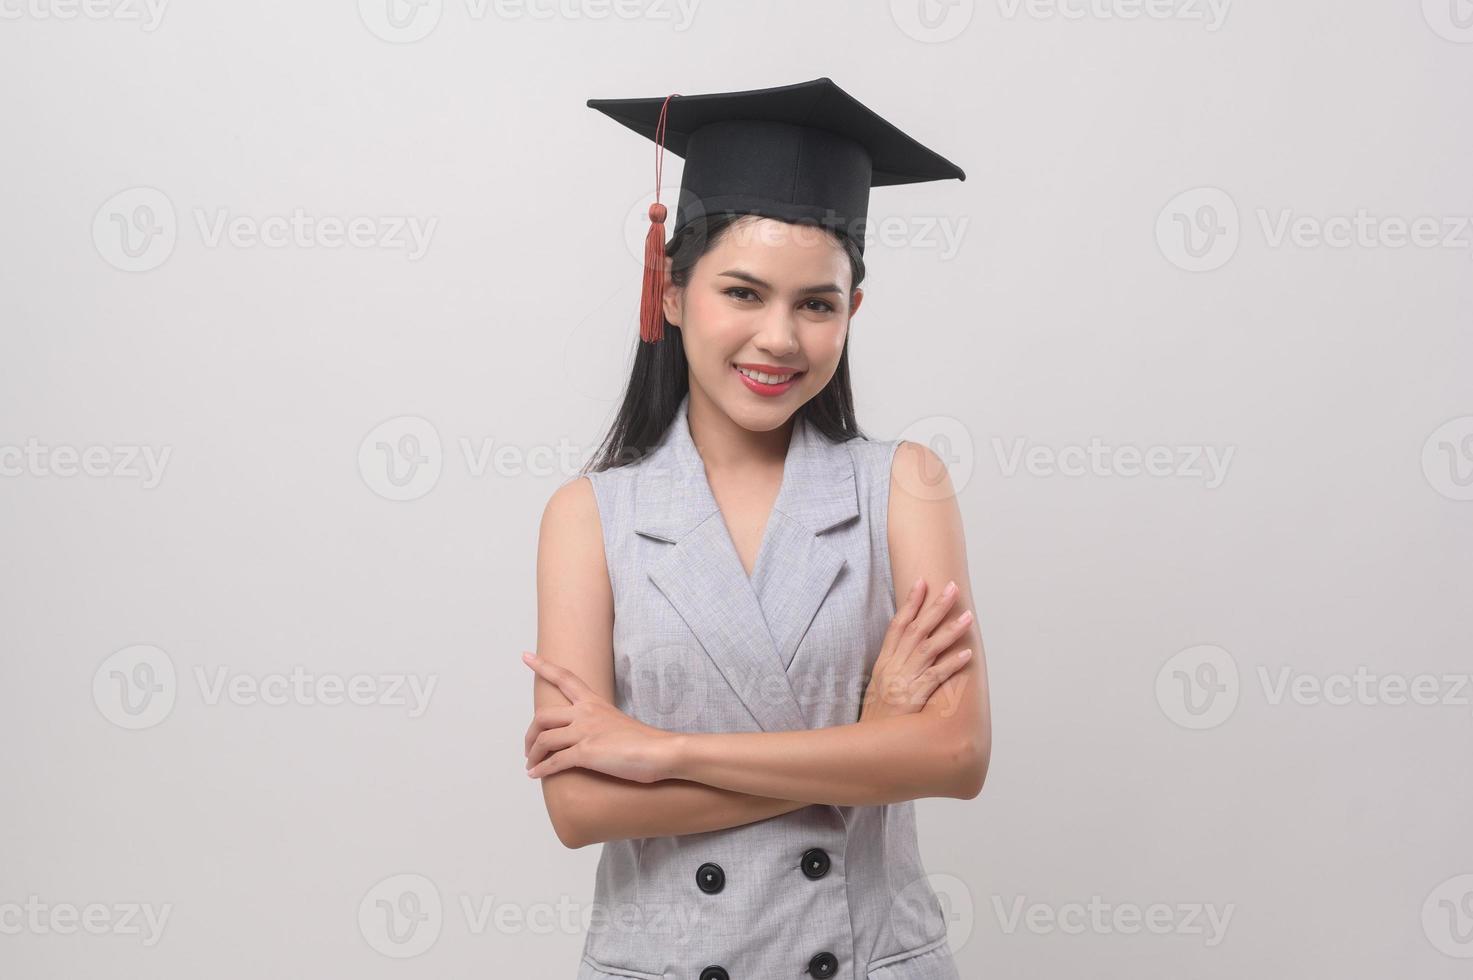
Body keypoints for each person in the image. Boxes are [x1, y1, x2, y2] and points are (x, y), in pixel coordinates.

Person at [522, 77, 991, 980]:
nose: (777, 337)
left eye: (815, 304)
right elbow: (579, 807)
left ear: (851, 312)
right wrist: (866, 743)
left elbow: (955, 753)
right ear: (669, 291)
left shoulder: (906, 486)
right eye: (742, 292)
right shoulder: (589, 516)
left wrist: (662, 755)